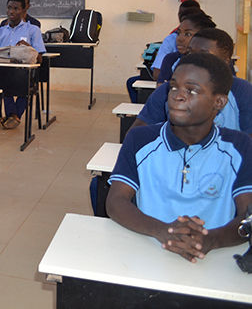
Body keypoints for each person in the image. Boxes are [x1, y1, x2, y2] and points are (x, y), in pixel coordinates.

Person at [106, 53, 252, 263]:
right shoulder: (140, 139)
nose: (177, 95)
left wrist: (210, 239)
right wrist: (163, 231)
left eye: (191, 90)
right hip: (148, 251)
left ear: (218, 102)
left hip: (212, 261)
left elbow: (247, 216)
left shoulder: (240, 146)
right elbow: (115, 202)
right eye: (174, 87)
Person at [131, 28, 252, 135]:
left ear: (225, 61)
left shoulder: (241, 90)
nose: (193, 59)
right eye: (189, 53)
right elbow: (137, 133)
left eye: (204, 55)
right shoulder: (169, 89)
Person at [0, 0, 45, 129]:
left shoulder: (33, 30)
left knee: (22, 86)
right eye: (9, 8)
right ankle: (10, 116)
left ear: (23, 11)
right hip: (3, 73)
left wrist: (28, 48)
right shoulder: (0, 31)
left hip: (24, 74)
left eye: (16, 8)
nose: (11, 11)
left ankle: (13, 115)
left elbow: (40, 58)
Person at [156, 12, 216, 85]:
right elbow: (161, 91)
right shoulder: (171, 59)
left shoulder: (216, 62)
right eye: (178, 33)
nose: (180, 39)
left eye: (188, 34)